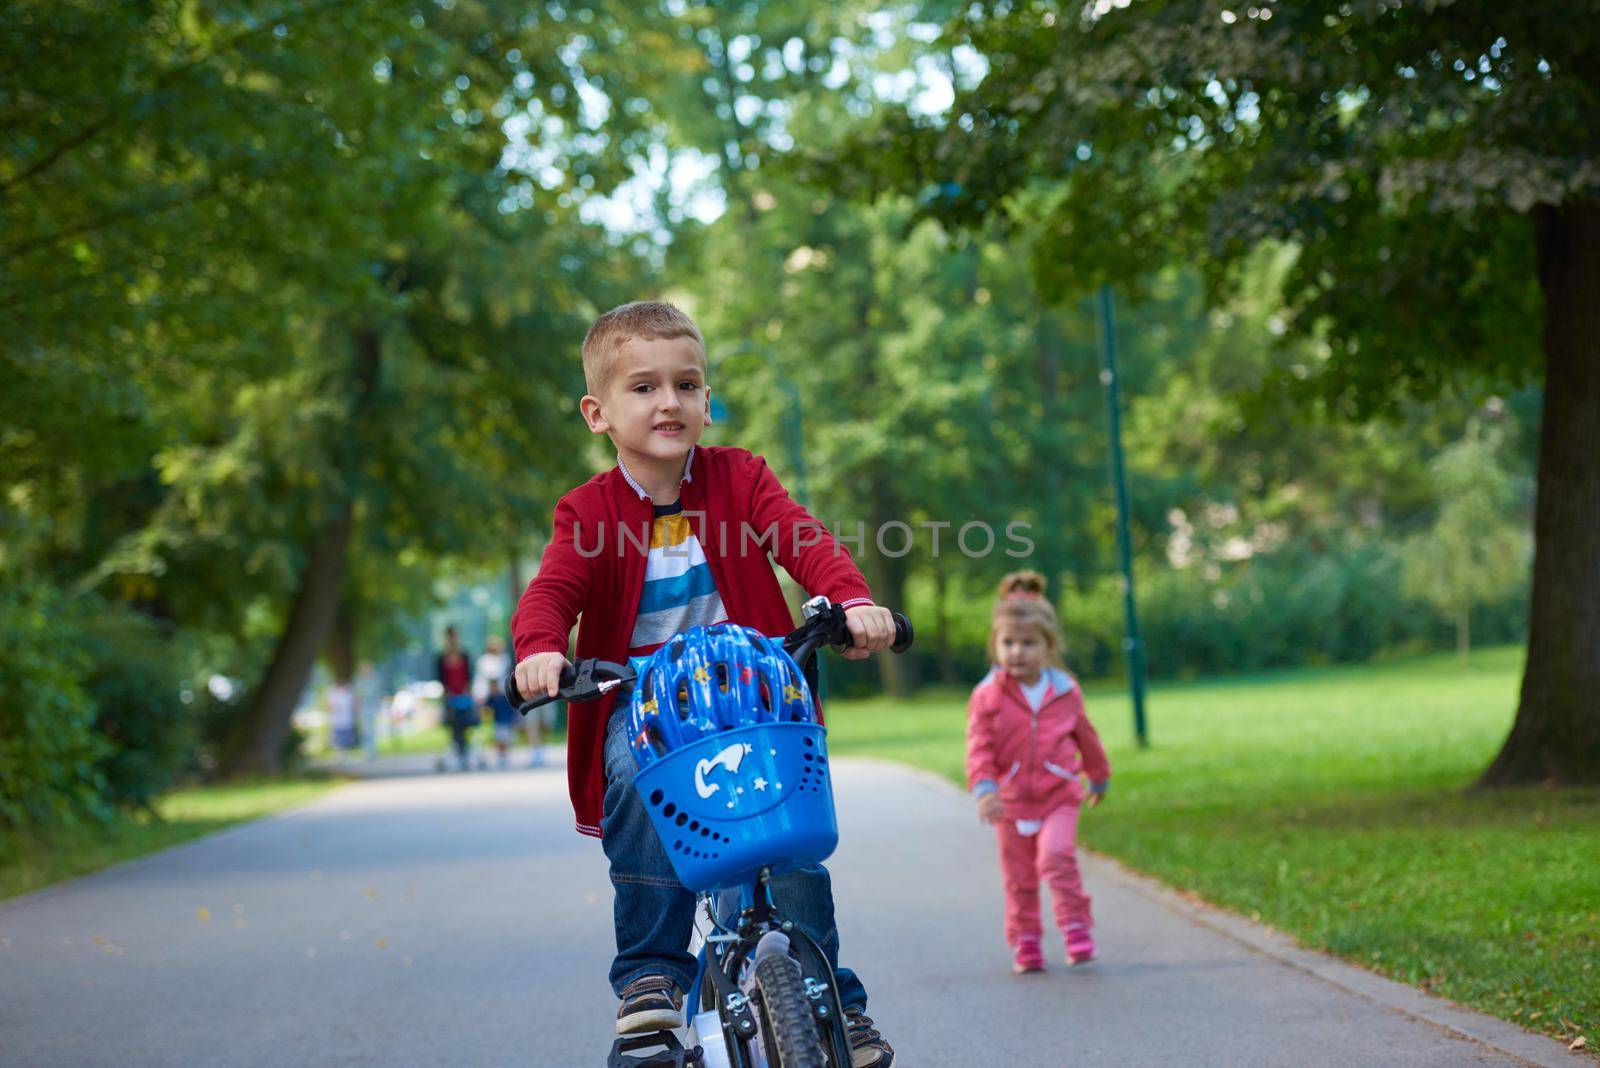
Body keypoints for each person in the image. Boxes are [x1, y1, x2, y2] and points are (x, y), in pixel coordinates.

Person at [511, 301, 898, 1066]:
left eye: (687, 385)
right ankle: (651, 976)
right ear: (598, 412)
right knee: (629, 767)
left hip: (750, 697)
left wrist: (851, 601)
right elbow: (552, 590)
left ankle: (833, 1002)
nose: (670, 402)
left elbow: (801, 537)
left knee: (792, 852)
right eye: (644, 387)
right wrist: (540, 649)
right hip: (645, 704)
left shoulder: (740, 477)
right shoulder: (586, 513)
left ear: (706, 399)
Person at [966, 570, 1111, 974]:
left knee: (1057, 857)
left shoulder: (1065, 691)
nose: (1017, 652)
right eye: (1008, 643)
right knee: (1019, 878)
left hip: (1058, 795)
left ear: (1048, 647)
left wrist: (1098, 775)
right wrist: (985, 788)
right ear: (995, 644)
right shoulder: (987, 696)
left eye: (1028, 643)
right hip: (1009, 803)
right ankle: (1025, 940)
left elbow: (1086, 734)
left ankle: (1076, 927)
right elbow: (979, 745)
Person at [437, 626, 477, 771]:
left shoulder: (464, 655)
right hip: (451, 697)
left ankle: (465, 752)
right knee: (454, 726)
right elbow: (440, 677)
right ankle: (457, 754)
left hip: (464, 696)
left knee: (466, 724)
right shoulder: (441, 657)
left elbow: (469, 675)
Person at [483, 677, 520, 769]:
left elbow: (511, 709)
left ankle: (504, 756)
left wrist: (514, 719)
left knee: (505, 739)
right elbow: (486, 709)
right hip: (497, 722)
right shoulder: (490, 698)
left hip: (506, 722)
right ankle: (501, 756)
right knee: (499, 739)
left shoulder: (503, 697)